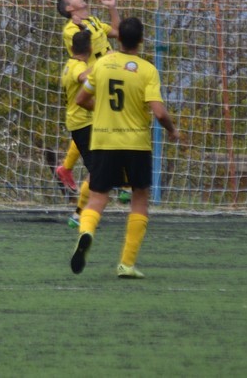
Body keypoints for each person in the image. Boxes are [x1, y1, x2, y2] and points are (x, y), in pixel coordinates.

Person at [71, 17, 180, 278]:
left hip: (103, 141)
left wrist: (103, 110)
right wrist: (172, 130)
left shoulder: (102, 64)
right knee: (139, 198)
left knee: (98, 197)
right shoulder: (147, 70)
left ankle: (86, 232)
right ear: (141, 40)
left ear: (118, 38)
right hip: (135, 144)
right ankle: (126, 264)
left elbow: (81, 99)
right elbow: (159, 112)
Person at [53, 0, 121, 195]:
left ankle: (68, 170)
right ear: (69, 8)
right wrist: (107, 59)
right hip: (93, 83)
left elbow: (117, 31)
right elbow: (84, 44)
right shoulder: (70, 30)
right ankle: (122, 185)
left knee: (100, 141)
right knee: (100, 136)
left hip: (107, 78)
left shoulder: (93, 20)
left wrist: (112, 8)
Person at [61, 30, 94, 228]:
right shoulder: (79, 66)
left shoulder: (68, 63)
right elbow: (82, 77)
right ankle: (79, 214)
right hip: (84, 123)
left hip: (79, 122)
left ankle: (81, 213)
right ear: (90, 48)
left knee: (99, 169)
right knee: (98, 171)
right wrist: (102, 64)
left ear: (72, 48)